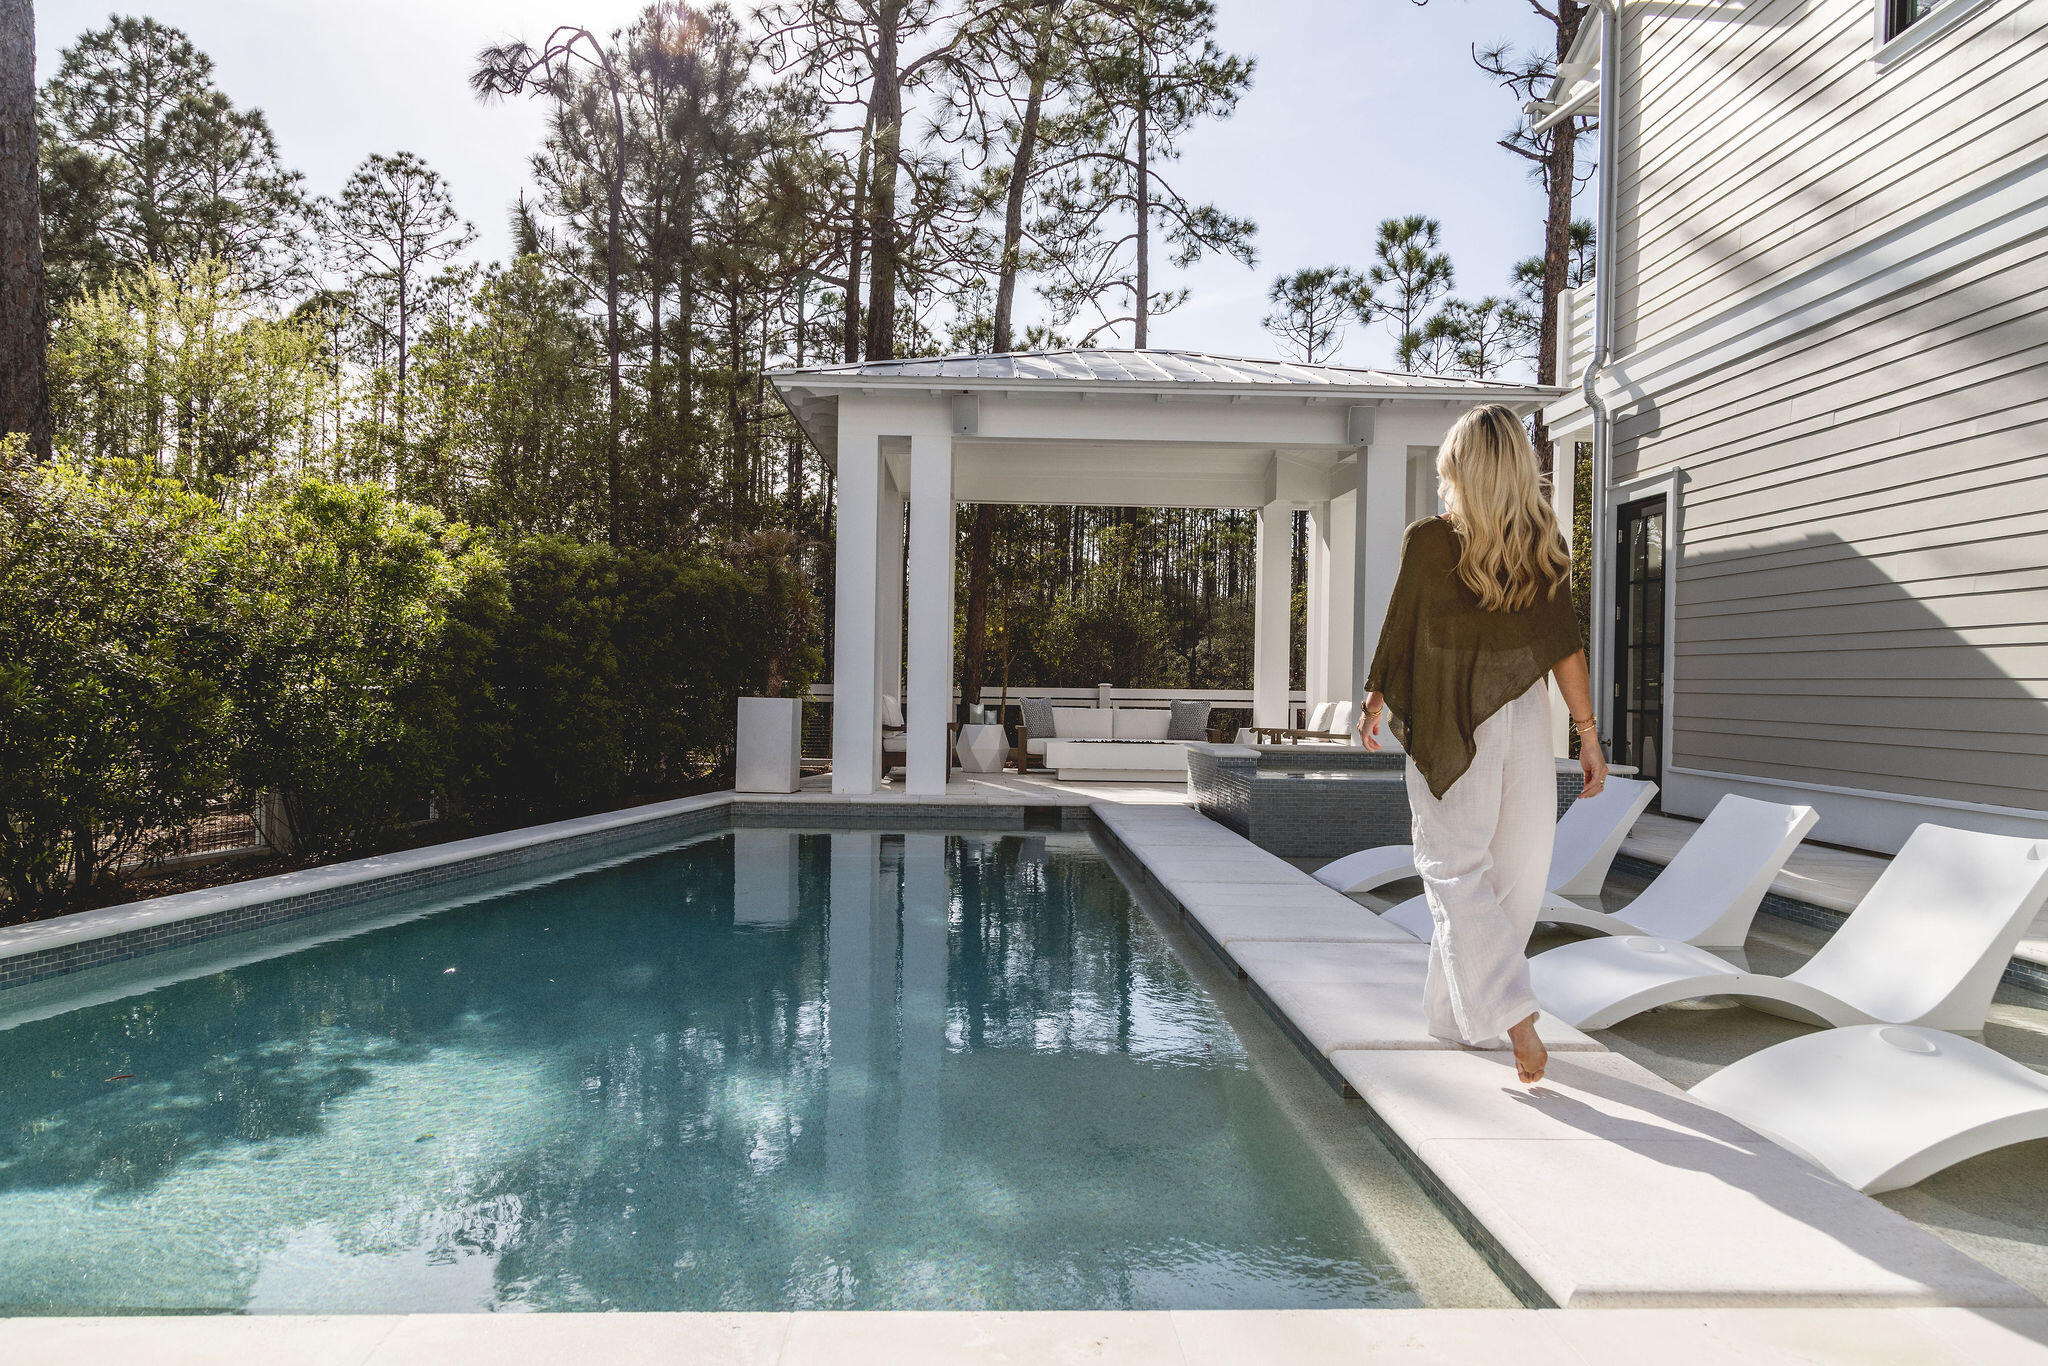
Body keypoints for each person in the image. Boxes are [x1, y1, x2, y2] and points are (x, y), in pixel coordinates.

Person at [1357, 404, 1608, 1084]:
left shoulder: (1430, 541)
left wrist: (1375, 698)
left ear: (1461, 468)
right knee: (1511, 876)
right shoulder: (1541, 542)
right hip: (1525, 718)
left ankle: (1516, 1016)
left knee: (1454, 868)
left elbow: (1399, 631)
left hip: (1449, 714)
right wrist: (1588, 735)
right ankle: (1455, 1019)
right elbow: (1565, 651)